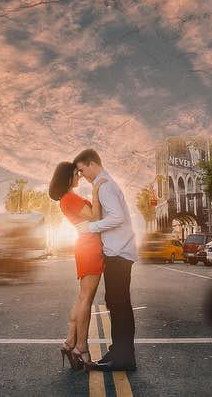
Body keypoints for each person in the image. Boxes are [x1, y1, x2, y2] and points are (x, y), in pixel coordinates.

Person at [73, 149, 138, 372]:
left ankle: (124, 358)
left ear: (92, 164)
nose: (82, 175)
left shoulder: (106, 185)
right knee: (115, 303)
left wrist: (90, 227)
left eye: (82, 170)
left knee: (119, 305)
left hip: (119, 253)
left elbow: (117, 218)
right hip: (118, 252)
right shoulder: (103, 184)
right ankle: (119, 351)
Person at [49, 160, 104, 372]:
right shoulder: (70, 198)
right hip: (89, 247)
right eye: (76, 173)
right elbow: (95, 217)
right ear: (67, 177)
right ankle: (81, 347)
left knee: (83, 298)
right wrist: (96, 192)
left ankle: (70, 342)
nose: (79, 176)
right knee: (86, 300)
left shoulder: (68, 198)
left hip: (86, 246)